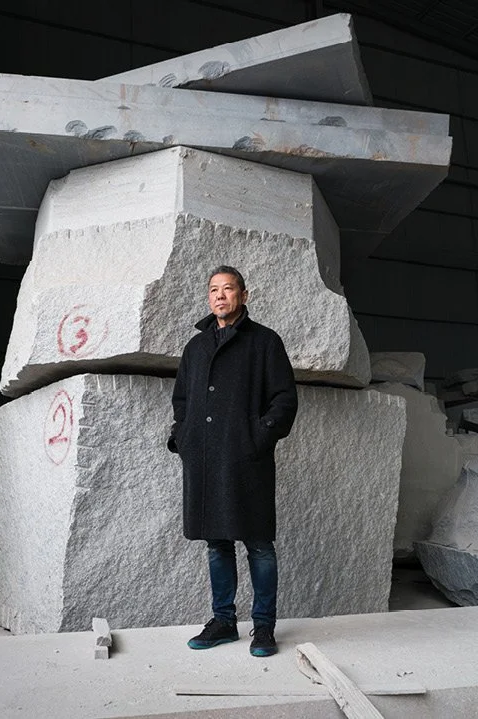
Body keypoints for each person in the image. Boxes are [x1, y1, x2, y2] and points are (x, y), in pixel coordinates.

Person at [167, 265, 298, 658]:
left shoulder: (265, 343)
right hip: (205, 458)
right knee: (216, 542)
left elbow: (285, 400)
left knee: (258, 543)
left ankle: (263, 628)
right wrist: (183, 438)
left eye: (227, 289)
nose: (220, 296)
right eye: (213, 290)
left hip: (246, 459)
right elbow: (182, 401)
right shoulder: (196, 348)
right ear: (208, 298)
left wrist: (257, 438)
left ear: (244, 294)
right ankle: (223, 621)